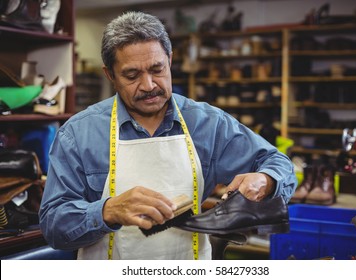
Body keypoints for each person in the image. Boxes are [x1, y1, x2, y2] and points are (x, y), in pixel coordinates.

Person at [39, 11, 297, 260]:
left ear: (170, 61)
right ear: (111, 76)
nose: (149, 85)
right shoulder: (78, 133)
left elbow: (280, 165)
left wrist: (265, 180)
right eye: (132, 75)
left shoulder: (208, 124)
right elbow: (53, 226)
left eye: (157, 69)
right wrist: (107, 211)